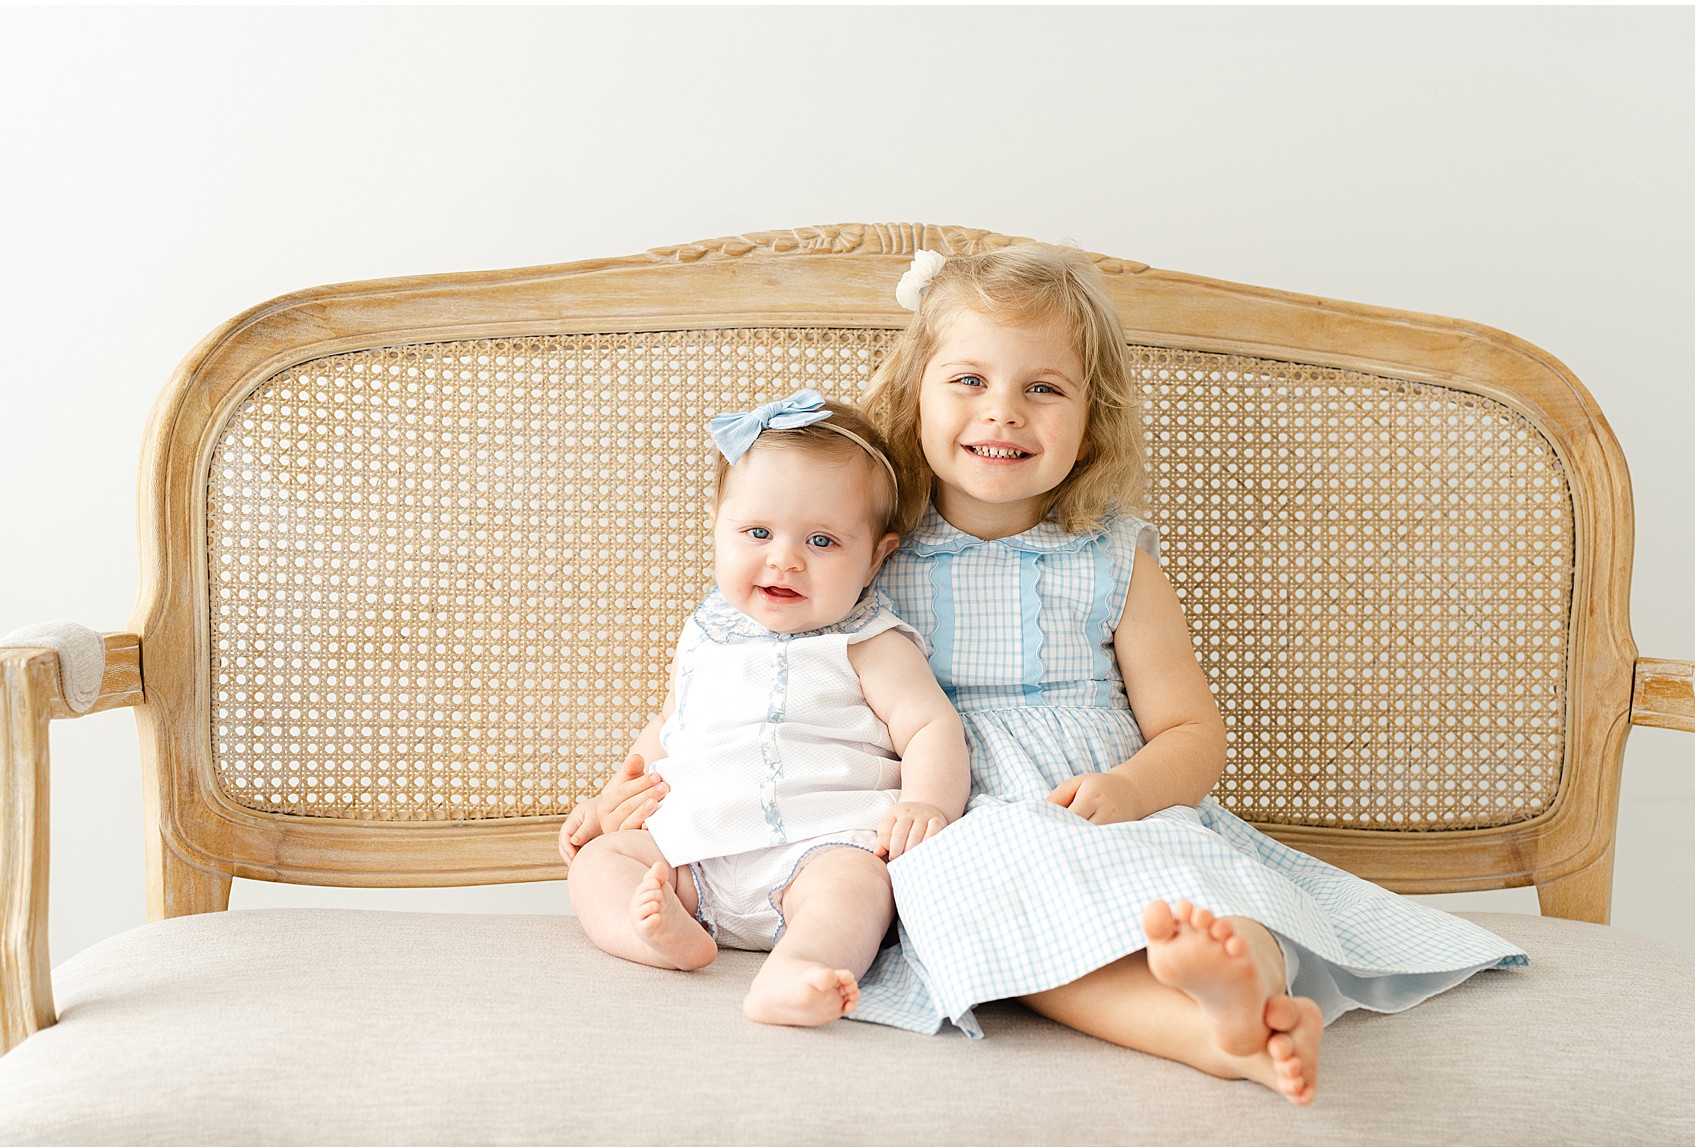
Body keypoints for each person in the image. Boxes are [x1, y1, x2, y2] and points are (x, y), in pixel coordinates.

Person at [849, 246, 1528, 1102]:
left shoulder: (1110, 557)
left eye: (1044, 388)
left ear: (1093, 420)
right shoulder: (870, 551)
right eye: (969, 380)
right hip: (962, 815)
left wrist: (1132, 791)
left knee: (1214, 886)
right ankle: (1217, 1036)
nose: (1005, 413)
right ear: (914, 393)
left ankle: (1241, 971)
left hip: (1107, 804)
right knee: (1000, 916)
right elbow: (758, 664)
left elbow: (1193, 733)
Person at [559, 391, 969, 1027]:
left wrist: (928, 803)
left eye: (823, 540)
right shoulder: (704, 632)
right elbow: (669, 729)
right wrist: (608, 801)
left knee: (858, 890)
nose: (784, 558)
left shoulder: (869, 641)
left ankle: (797, 970)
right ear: (717, 526)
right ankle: (660, 940)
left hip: (818, 847)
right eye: (757, 532)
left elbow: (931, 726)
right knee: (598, 866)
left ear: (877, 556)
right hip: (691, 854)